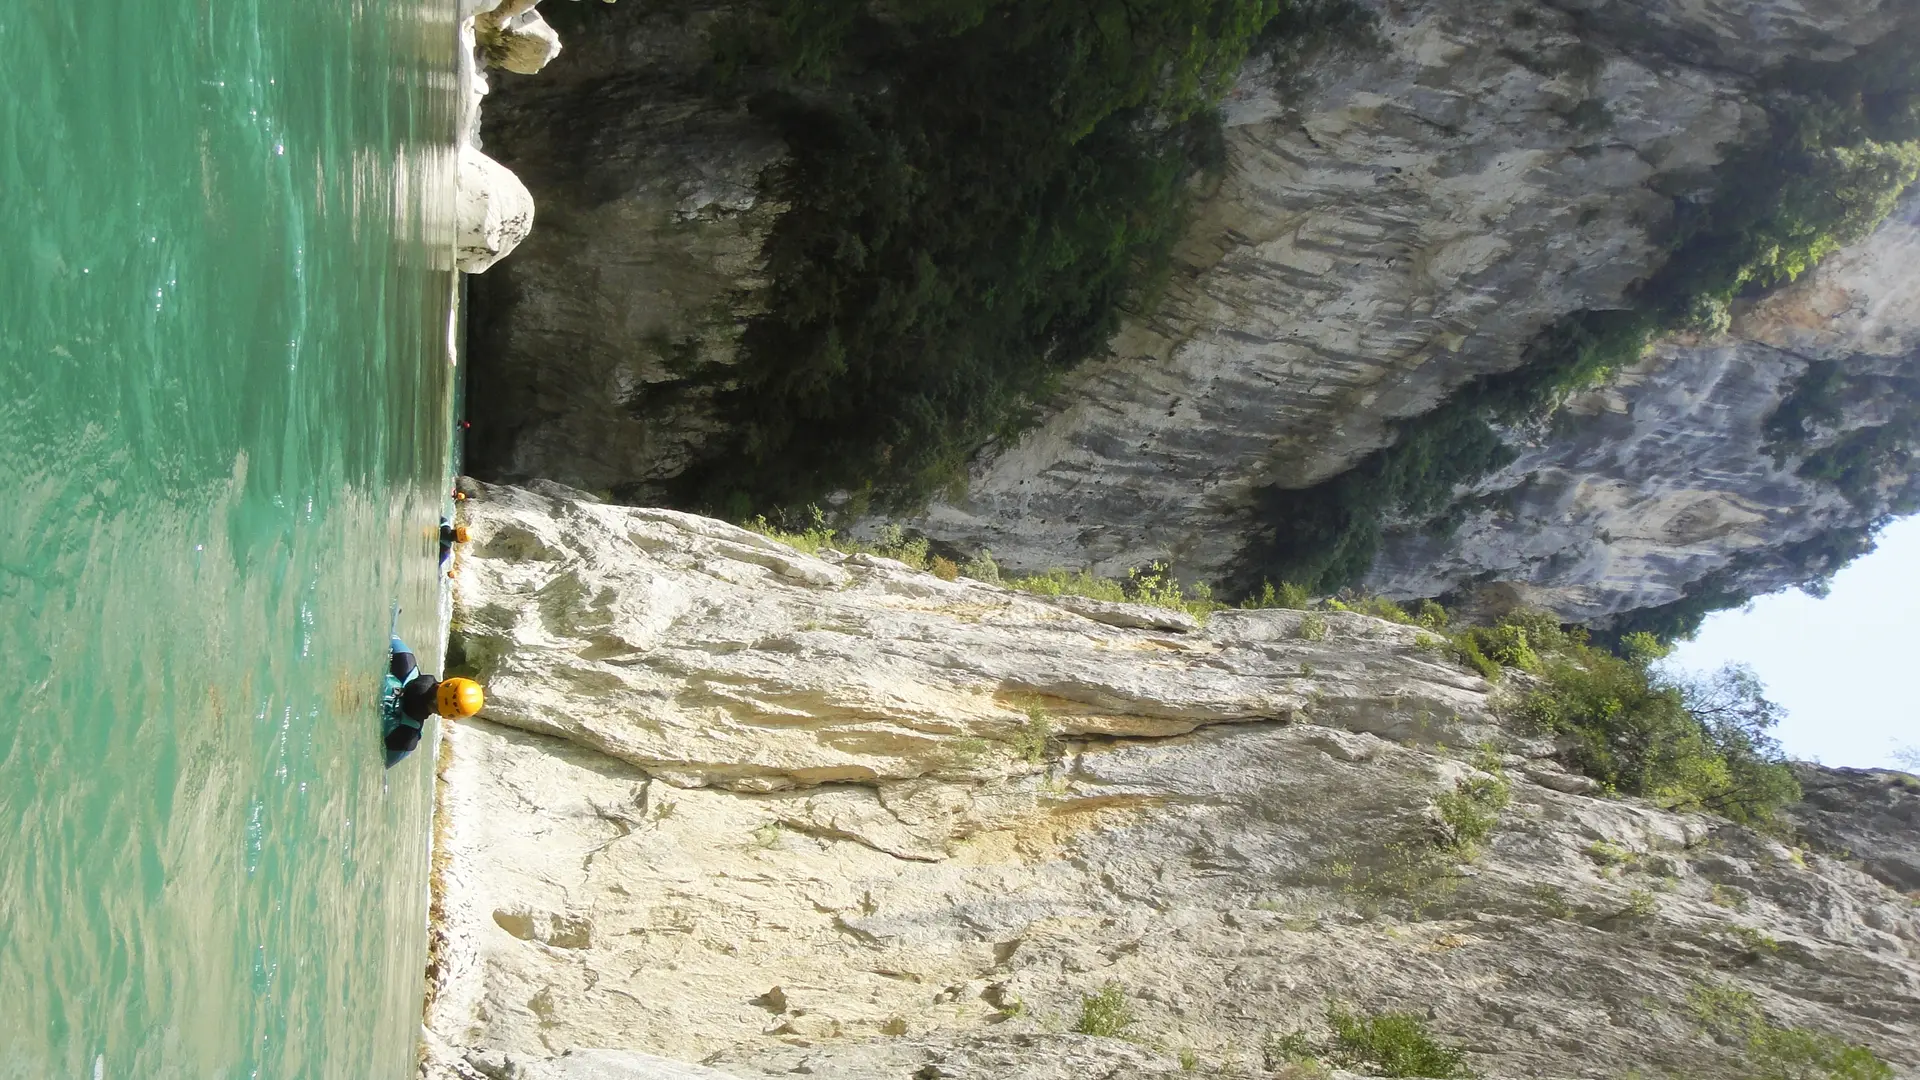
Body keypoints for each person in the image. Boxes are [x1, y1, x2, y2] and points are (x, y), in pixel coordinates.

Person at [384, 635, 483, 765]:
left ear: (449, 681)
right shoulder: (406, 740)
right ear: (447, 716)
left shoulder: (404, 659)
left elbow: (386, 633)